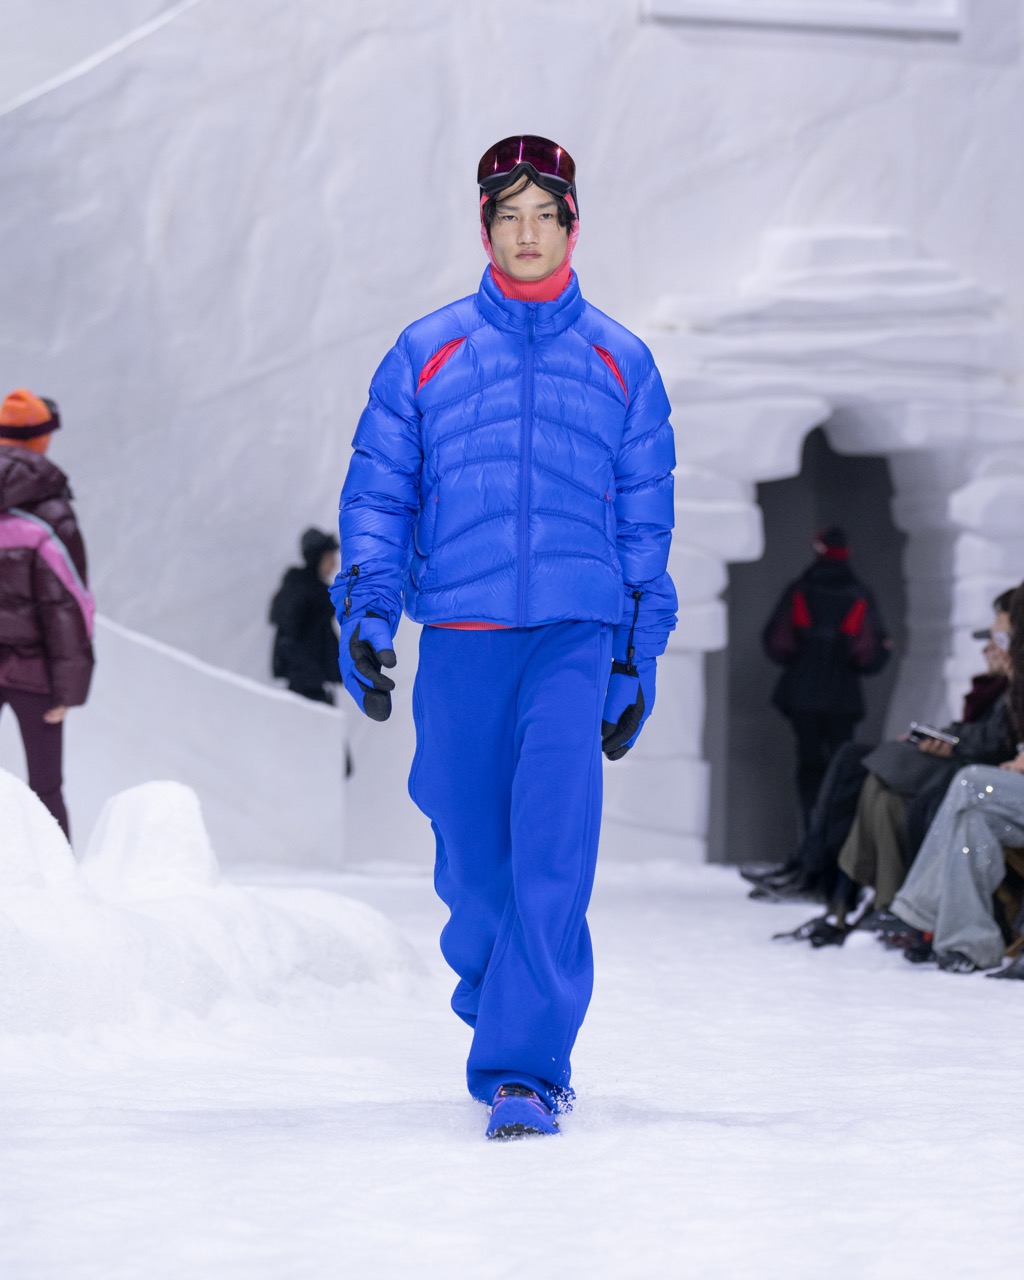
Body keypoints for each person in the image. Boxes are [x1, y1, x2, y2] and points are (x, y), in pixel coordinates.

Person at [331, 135, 676, 1139]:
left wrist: (635, 650)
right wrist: (366, 609)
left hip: (574, 633)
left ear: (573, 226)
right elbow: (380, 492)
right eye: (509, 216)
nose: (528, 233)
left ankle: (523, 1067)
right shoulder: (426, 350)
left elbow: (644, 521)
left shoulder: (621, 360)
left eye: (545, 216)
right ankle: (509, 998)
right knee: (473, 866)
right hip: (463, 633)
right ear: (485, 229)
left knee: (550, 857)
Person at [749, 588, 1014, 907]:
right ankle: (830, 882)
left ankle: (822, 876)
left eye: (1000, 640)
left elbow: (997, 740)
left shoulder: (1010, 690)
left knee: (859, 772)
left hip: (971, 771)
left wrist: (953, 742)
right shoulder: (998, 689)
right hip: (848, 701)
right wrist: (946, 737)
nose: (989, 649)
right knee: (864, 775)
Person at [0, 389, 94, 838]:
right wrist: (69, 688)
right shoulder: (51, 512)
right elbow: (69, 606)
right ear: (42, 439)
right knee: (46, 788)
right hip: (34, 674)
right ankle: (57, 877)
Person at [762, 526, 891, 830]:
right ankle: (833, 838)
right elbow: (868, 654)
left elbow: (778, 642)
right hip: (842, 695)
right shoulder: (858, 594)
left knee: (809, 766)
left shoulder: (801, 590)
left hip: (802, 692)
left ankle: (810, 833)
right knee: (841, 767)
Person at [270, 527, 341, 703]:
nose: (334, 563)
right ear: (318, 557)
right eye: (329, 557)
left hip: (310, 683)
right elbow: (292, 637)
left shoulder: (301, 588)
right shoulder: (307, 592)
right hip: (307, 686)